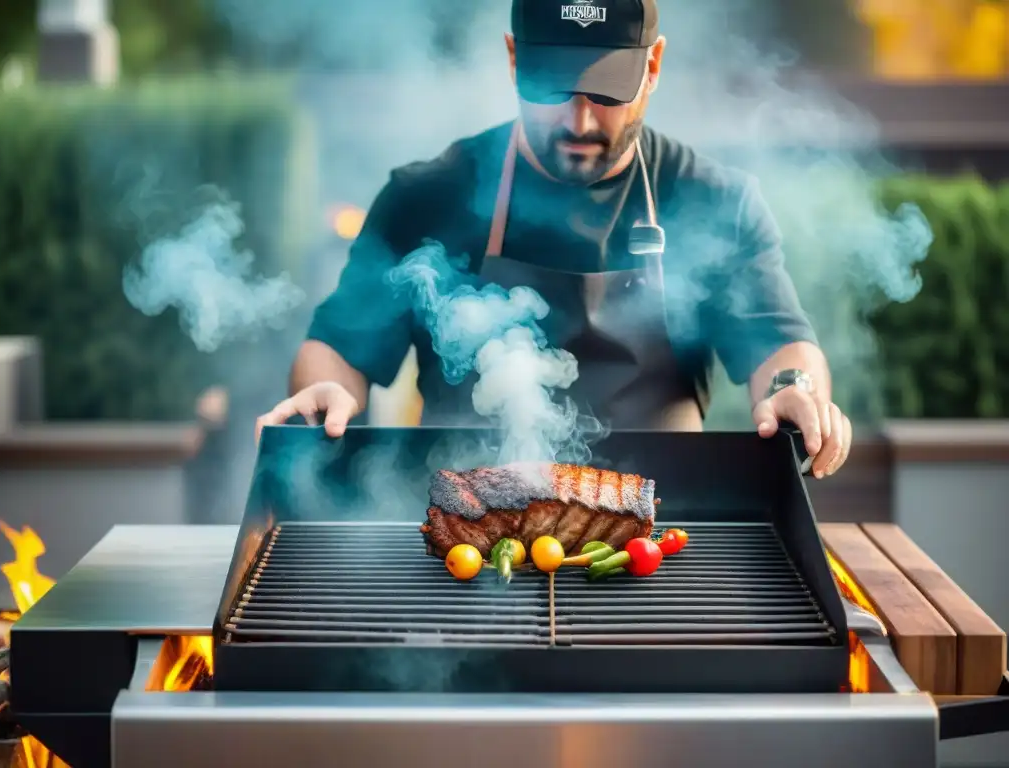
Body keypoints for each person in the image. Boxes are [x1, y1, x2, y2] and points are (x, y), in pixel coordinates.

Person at [256, 0, 853, 479]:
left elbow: (782, 350)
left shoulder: (714, 202)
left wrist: (795, 392)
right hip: (462, 541)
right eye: (552, 87)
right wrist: (322, 394)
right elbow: (335, 351)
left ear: (652, 65)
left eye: (605, 90)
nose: (579, 120)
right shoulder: (428, 196)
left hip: (658, 542)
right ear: (514, 59)